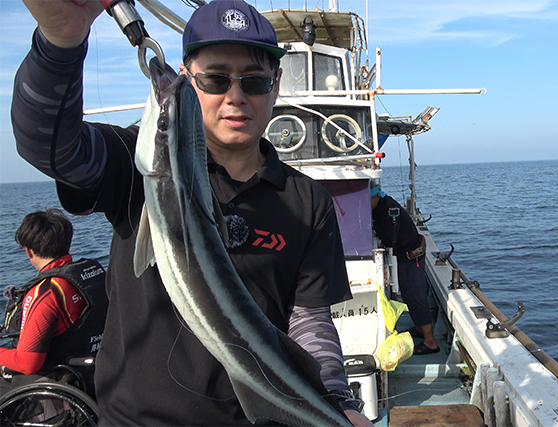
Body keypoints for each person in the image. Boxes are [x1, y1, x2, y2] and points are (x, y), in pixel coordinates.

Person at [12, 1, 371, 425]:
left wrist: (335, 397)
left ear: (275, 87)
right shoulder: (131, 164)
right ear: (188, 82)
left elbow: (308, 319)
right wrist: (60, 43)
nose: (235, 96)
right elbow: (49, 146)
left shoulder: (307, 201)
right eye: (216, 79)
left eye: (254, 82)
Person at [1, 209, 107, 398]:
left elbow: (28, 363)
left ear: (29, 251)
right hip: (93, 372)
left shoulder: (46, 292)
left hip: (55, 384)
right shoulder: (91, 274)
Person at [370, 185, 440, 355]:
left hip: (412, 257)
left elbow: (389, 240)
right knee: (409, 296)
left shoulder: (387, 210)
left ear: (374, 197)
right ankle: (418, 328)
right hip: (407, 255)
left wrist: (372, 225)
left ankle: (430, 342)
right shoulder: (382, 205)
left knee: (416, 297)